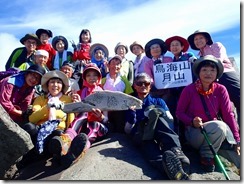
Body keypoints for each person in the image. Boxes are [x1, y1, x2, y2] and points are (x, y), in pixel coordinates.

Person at [176, 55, 240, 172]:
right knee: (219, 126)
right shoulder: (189, 89)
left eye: (212, 70)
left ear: (217, 73)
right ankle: (207, 156)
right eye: (204, 70)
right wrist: (191, 121)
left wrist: (237, 139)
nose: (208, 73)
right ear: (198, 72)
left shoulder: (221, 89)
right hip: (194, 133)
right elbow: (179, 112)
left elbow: (228, 114)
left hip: (215, 134)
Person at [124, 73, 190, 180]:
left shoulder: (159, 101)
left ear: (150, 85)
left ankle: (175, 155)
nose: (143, 86)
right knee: (149, 148)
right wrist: (132, 118)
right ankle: (173, 169)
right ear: (134, 86)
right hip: (142, 135)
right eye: (139, 83)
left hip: (158, 130)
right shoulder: (130, 104)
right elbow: (127, 130)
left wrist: (160, 113)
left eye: (146, 83)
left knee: (156, 114)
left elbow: (170, 120)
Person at [48, 64, 109, 167]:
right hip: (83, 127)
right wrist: (77, 104)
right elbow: (77, 117)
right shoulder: (80, 93)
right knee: (83, 113)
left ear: (99, 77)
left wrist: (101, 117)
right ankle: (65, 142)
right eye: (88, 75)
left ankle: (75, 153)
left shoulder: (104, 94)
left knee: (94, 125)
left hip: (100, 127)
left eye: (94, 75)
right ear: (84, 78)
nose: (92, 78)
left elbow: (107, 119)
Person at [16, 70, 76, 170]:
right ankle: (34, 153)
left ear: (62, 85)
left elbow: (71, 120)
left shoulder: (68, 99)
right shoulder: (40, 99)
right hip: (40, 130)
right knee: (29, 127)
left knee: (57, 136)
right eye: (52, 82)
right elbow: (32, 118)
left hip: (57, 131)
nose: (55, 85)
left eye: (58, 82)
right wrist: (47, 107)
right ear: (47, 85)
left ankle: (51, 152)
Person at [187, 29, 240, 126]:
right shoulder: (199, 56)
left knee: (240, 100)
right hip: (212, 81)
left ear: (207, 39)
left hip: (226, 75)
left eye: (201, 38)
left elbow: (217, 61)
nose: (198, 41)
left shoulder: (216, 45)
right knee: (222, 108)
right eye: (196, 39)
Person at [102, 55, 134, 133]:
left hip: (120, 110)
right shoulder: (102, 80)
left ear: (121, 66)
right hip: (106, 111)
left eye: (118, 64)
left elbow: (129, 95)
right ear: (108, 65)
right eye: (113, 63)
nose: (115, 66)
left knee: (119, 130)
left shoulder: (124, 80)